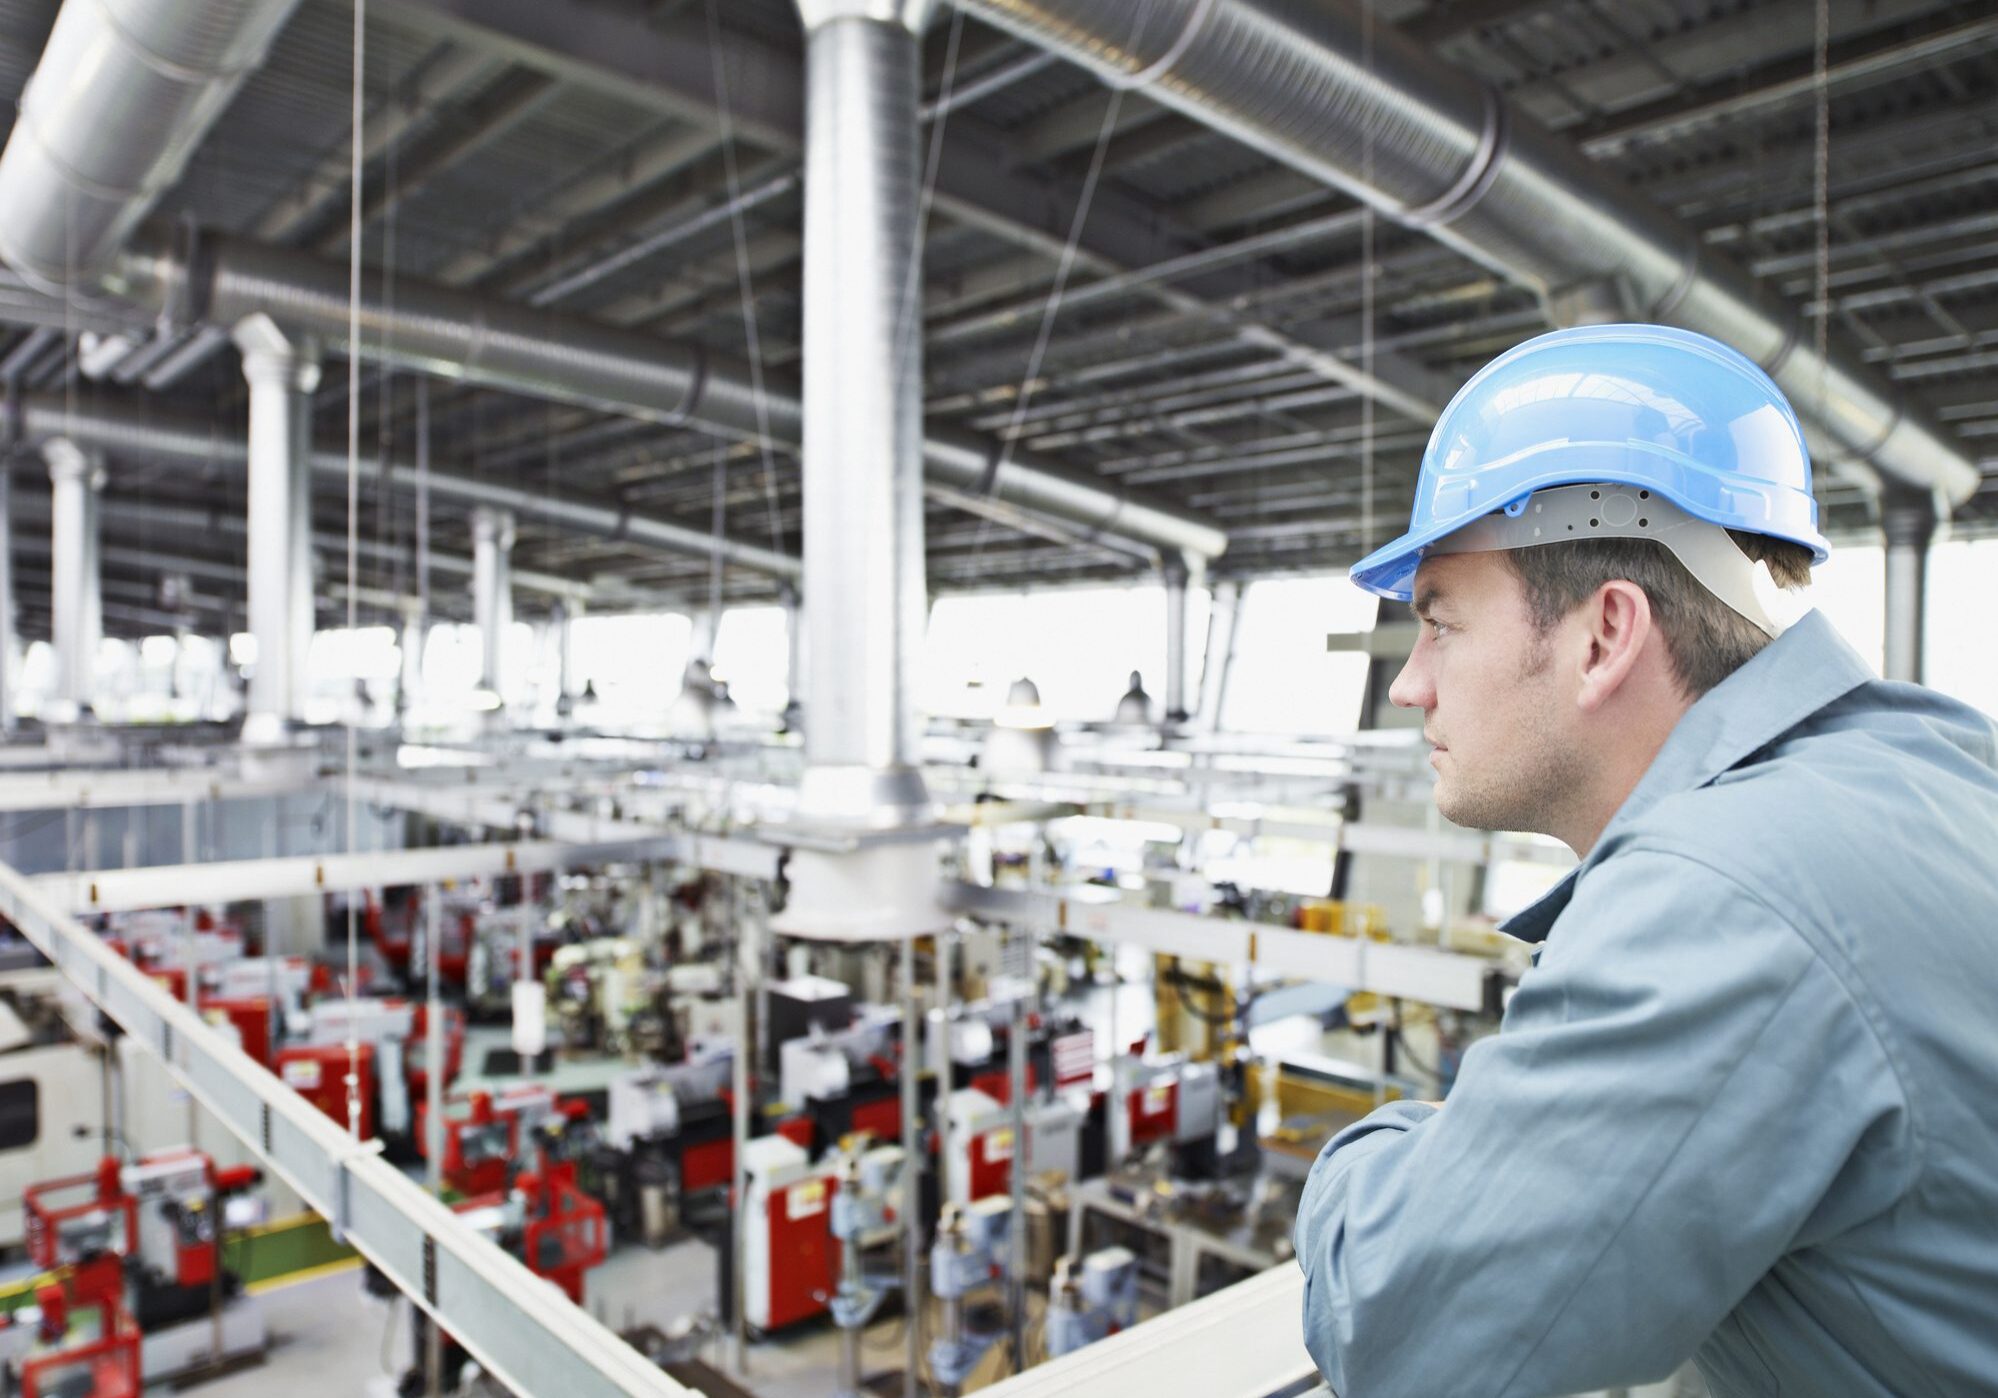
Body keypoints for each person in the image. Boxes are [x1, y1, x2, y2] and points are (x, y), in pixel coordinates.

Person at [1291, 324, 1998, 1397]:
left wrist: (1381, 1150)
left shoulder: (1724, 892)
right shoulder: (1936, 758)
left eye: (1440, 621)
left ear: (1605, 634)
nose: (1410, 684)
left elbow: (1395, 1325)